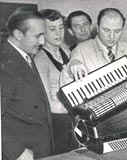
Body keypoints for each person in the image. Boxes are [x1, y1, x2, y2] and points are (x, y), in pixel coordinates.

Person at [0, 7, 54, 160]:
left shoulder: (23, 53)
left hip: (37, 148)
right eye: (38, 36)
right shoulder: (4, 62)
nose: (43, 42)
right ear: (18, 34)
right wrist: (16, 152)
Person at [34, 9, 78, 154]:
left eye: (61, 28)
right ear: (42, 32)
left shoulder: (66, 50)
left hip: (74, 117)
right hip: (58, 122)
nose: (58, 33)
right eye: (52, 29)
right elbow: (47, 103)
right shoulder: (39, 58)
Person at [67, 8, 127, 82]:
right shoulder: (81, 50)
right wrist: (74, 64)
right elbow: (71, 68)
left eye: (117, 31)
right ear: (98, 28)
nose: (112, 36)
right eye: (106, 30)